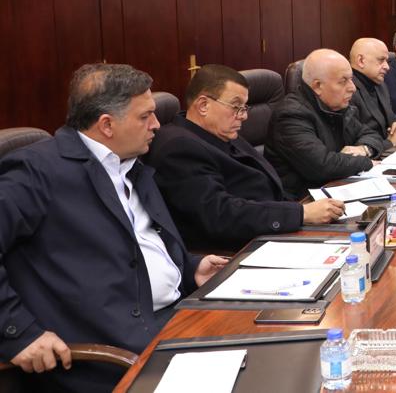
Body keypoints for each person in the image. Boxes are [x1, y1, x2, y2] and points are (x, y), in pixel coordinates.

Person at [0, 64, 227, 392]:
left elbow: (136, 245)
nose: (156, 124)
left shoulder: (131, 162)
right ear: (107, 124)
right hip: (114, 355)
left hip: (180, 317)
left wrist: (190, 267)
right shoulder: (37, 172)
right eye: (145, 116)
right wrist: (19, 332)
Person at [147, 65, 346, 251]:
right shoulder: (178, 147)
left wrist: (304, 210)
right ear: (203, 105)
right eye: (236, 107)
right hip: (237, 251)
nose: (244, 116)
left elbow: (266, 187)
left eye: (244, 107)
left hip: (272, 230)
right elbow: (221, 215)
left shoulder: (219, 132)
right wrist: (301, 214)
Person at [265, 49, 385, 199]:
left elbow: (370, 134)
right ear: (317, 86)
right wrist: (365, 162)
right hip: (305, 201)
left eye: (351, 79)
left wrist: (363, 149)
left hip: (337, 188)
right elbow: (322, 166)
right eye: (343, 81)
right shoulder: (291, 115)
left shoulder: (337, 106)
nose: (353, 88)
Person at [348, 37, 396, 150]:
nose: (387, 67)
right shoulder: (347, 91)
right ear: (361, 60)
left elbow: (392, 121)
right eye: (381, 60)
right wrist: (390, 142)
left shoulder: (380, 84)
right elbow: (356, 142)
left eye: (387, 61)